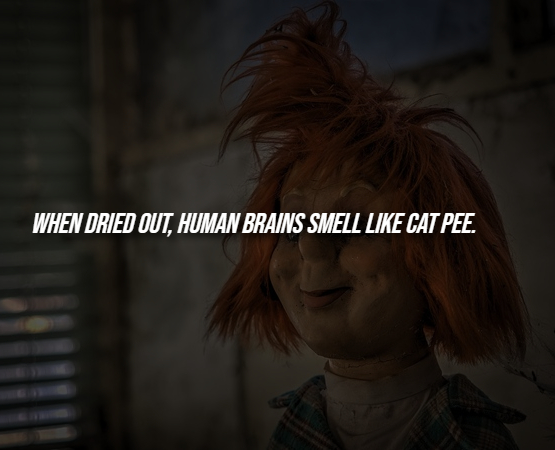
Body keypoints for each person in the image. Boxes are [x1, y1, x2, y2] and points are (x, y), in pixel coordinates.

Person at [207, 2, 529, 448]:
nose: (311, 248)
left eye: (355, 223)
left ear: (441, 257)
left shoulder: (476, 440)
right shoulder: (290, 431)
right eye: (291, 225)